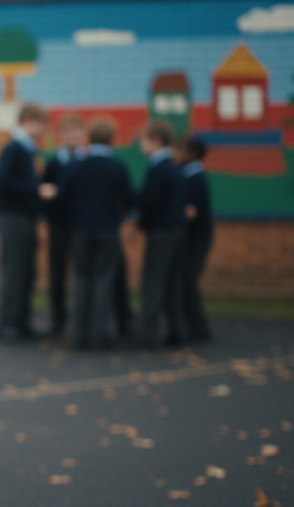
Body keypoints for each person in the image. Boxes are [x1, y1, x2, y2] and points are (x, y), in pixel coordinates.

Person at [51, 120, 133, 350]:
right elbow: (128, 199)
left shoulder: (77, 167)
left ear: (89, 139)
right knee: (103, 281)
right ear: (112, 139)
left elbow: (60, 198)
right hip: (107, 230)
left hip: (79, 230)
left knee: (81, 280)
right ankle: (99, 335)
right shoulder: (117, 167)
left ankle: (80, 335)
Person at [0, 103, 54, 343]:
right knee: (15, 271)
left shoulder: (26, 150)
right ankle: (9, 324)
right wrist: (37, 189)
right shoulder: (14, 148)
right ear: (28, 119)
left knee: (27, 271)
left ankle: (21, 322)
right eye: (41, 124)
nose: (43, 130)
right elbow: (3, 182)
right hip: (13, 218)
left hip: (24, 217)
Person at [133, 121, 188, 349]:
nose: (140, 145)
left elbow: (149, 201)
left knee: (153, 283)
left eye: (144, 140)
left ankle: (150, 334)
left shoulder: (158, 168)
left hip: (161, 232)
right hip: (176, 231)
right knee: (172, 282)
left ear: (156, 140)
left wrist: (138, 219)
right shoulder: (174, 167)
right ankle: (177, 331)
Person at [41, 114, 87, 338]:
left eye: (76, 132)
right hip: (58, 226)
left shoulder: (86, 162)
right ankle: (57, 320)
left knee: (82, 274)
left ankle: (82, 320)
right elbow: (45, 195)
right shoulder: (53, 163)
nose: (72, 136)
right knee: (57, 274)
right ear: (61, 136)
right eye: (68, 132)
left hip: (81, 226)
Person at [179, 136, 212, 343]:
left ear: (192, 154)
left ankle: (199, 327)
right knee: (185, 281)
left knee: (188, 281)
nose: (178, 154)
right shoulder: (189, 176)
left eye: (181, 150)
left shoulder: (196, 179)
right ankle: (193, 325)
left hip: (197, 239)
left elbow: (193, 213)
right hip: (192, 238)